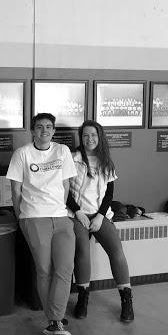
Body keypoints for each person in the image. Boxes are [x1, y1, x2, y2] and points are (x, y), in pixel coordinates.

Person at [6, 113, 77, 335]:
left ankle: (54, 319)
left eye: (49, 127)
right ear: (33, 131)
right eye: (39, 127)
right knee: (44, 269)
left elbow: (66, 185)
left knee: (65, 268)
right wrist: (22, 216)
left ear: (54, 131)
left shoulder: (63, 152)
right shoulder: (22, 154)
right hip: (34, 217)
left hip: (62, 217)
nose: (44, 131)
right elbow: (15, 190)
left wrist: (60, 208)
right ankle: (55, 321)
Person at [66, 120, 134, 323]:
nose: (90, 139)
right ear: (81, 137)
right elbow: (64, 190)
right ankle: (83, 298)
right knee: (82, 252)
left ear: (100, 136)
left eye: (93, 135)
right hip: (77, 215)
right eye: (85, 135)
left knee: (117, 251)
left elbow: (109, 193)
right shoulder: (72, 158)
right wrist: (78, 212)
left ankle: (126, 300)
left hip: (100, 215)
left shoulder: (106, 160)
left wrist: (100, 216)